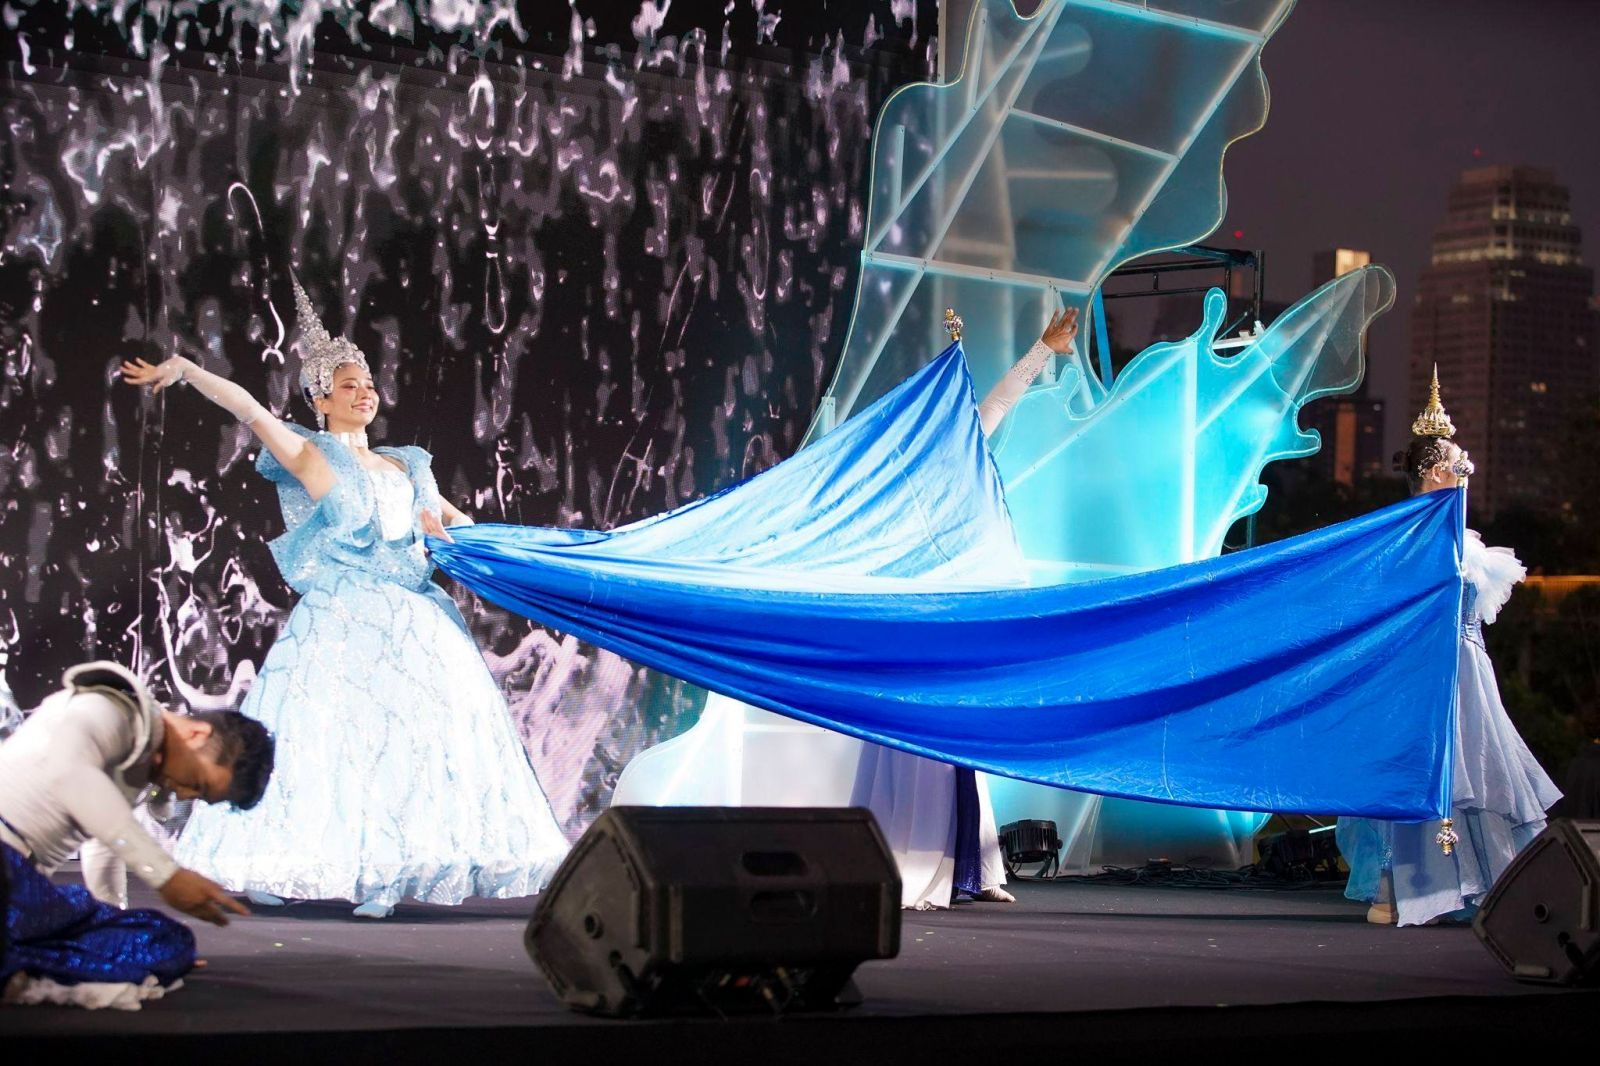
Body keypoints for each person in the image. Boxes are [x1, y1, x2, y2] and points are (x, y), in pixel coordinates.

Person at [120, 276, 571, 919]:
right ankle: (279, 861)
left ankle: (392, 869)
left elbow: (459, 524)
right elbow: (249, 409)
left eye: (369, 384)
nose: (365, 394)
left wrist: (488, 547)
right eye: (350, 385)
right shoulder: (314, 456)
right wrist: (188, 370)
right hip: (342, 615)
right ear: (320, 398)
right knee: (326, 737)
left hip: (415, 617)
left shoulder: (408, 463)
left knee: (416, 739)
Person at [852, 308, 1080, 909]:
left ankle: (972, 869)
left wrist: (1042, 349)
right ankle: (914, 862)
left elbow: (997, 405)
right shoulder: (893, 482)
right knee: (917, 754)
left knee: (960, 749)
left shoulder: (958, 458)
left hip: (954, 622)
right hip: (912, 628)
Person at [1336, 370, 1561, 926]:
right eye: (1456, 465)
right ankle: (1398, 888)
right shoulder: (1410, 538)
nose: (1464, 473)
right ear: (1434, 471)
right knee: (1417, 766)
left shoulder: (1466, 543)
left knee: (1477, 772)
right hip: (1423, 670)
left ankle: (1473, 887)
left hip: (1467, 668)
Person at [0, 660, 273, 1008]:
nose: (185, 795)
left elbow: (105, 841)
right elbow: (69, 775)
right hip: (6, 867)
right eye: (198, 784)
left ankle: (25, 959)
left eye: (199, 797)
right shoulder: (103, 709)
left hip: (24, 893)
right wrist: (166, 875)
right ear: (197, 734)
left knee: (166, 940)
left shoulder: (140, 764)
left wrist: (110, 926)